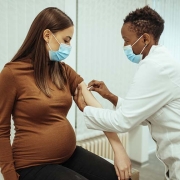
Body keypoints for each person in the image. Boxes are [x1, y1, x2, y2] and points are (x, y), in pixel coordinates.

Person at [0, 7, 132, 180]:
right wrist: (9, 176)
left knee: (117, 177)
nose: (69, 46)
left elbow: (96, 107)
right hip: (32, 164)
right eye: (66, 40)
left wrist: (119, 150)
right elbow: (1, 130)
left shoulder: (63, 71)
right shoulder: (12, 74)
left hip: (69, 155)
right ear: (47, 35)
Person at [74, 5, 180, 180]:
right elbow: (144, 113)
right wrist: (110, 96)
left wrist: (85, 109)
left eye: (126, 40)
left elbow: (123, 121)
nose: (125, 46)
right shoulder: (160, 62)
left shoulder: (155, 67)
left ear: (145, 38)